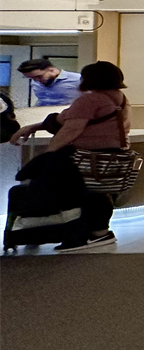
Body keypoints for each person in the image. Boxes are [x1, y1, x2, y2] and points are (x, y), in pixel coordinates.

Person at [9, 61, 131, 253]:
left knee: (58, 188)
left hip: (82, 157)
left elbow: (71, 128)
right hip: (108, 157)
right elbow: (65, 119)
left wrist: (50, 153)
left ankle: (67, 232)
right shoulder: (119, 98)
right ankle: (99, 232)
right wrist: (33, 127)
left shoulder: (91, 100)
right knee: (96, 194)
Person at [18, 58, 82, 107]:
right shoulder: (35, 82)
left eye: (39, 76)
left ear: (52, 70)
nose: (36, 80)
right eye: (31, 78)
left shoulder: (78, 79)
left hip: (68, 117)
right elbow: (42, 100)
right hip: (42, 117)